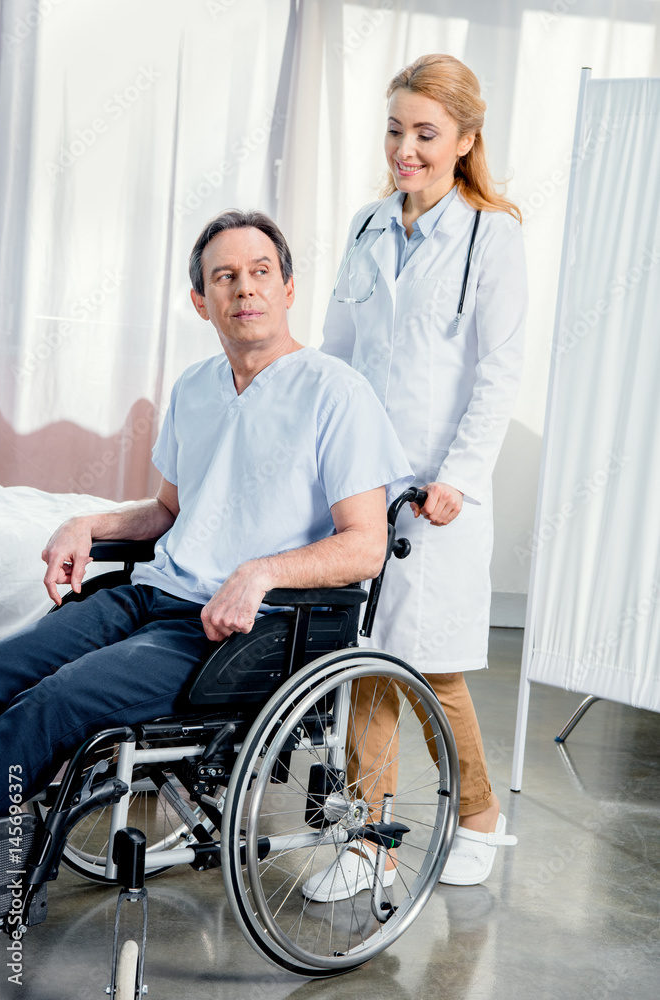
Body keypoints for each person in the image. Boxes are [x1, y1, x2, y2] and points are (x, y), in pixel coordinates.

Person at [0, 209, 414, 819]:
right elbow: (169, 510)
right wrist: (88, 523)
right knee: (4, 667)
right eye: (224, 276)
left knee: (52, 702)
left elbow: (365, 546)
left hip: (231, 633)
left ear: (288, 289)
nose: (245, 287)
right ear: (200, 300)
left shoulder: (337, 394)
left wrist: (259, 572)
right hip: (146, 598)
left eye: (261, 271)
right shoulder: (195, 386)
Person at [307, 53, 526, 896]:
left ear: (464, 140)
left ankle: (477, 817)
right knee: (363, 657)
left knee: (430, 664)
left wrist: (458, 479)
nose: (405, 149)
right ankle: (370, 843)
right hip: (366, 480)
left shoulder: (490, 234)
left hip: (437, 491)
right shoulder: (368, 226)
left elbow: (496, 372)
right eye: (396, 129)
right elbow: (338, 350)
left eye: (425, 134)